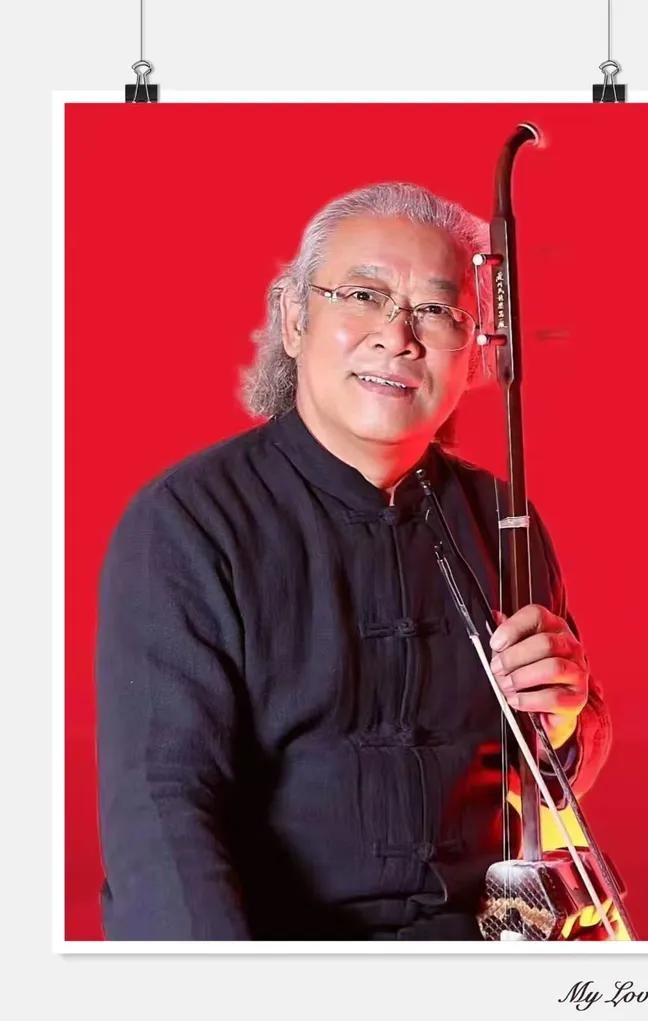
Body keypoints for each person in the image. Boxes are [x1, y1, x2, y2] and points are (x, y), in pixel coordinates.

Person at [95, 182, 612, 941]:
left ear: (472, 350)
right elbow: (161, 814)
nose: (398, 336)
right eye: (364, 295)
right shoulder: (187, 522)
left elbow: (553, 774)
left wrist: (565, 720)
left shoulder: (504, 519)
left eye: (437, 310)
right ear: (294, 318)